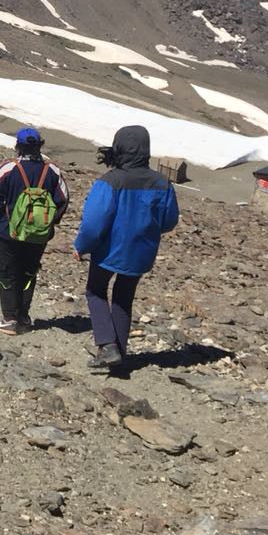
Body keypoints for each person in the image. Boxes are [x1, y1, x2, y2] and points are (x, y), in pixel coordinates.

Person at [72, 125, 179, 372]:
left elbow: (94, 223)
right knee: (123, 298)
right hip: (141, 252)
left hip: (109, 250)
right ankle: (119, 357)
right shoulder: (162, 183)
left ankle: (107, 345)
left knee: (95, 291)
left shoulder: (111, 181)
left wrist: (82, 246)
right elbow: (169, 220)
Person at [0, 127, 70, 335]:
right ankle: (24, 317)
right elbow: (63, 199)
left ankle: (9, 318)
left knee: (7, 271)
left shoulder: (9, 169)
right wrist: (50, 222)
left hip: (8, 231)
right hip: (38, 233)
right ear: (39, 146)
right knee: (29, 271)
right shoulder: (52, 171)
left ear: (18, 146)